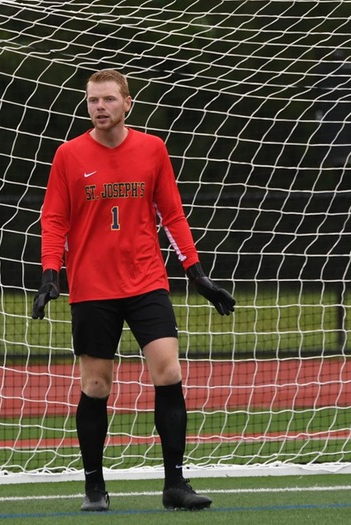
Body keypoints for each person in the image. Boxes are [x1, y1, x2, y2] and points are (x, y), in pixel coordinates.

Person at [32, 69, 235, 512]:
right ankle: (94, 488)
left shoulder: (152, 149)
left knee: (168, 372)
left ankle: (175, 486)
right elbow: (54, 221)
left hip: (147, 282)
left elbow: (173, 214)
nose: (99, 107)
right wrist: (51, 275)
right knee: (97, 385)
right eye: (91, 100)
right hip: (92, 288)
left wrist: (196, 273)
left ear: (127, 103)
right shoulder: (68, 155)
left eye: (107, 99)